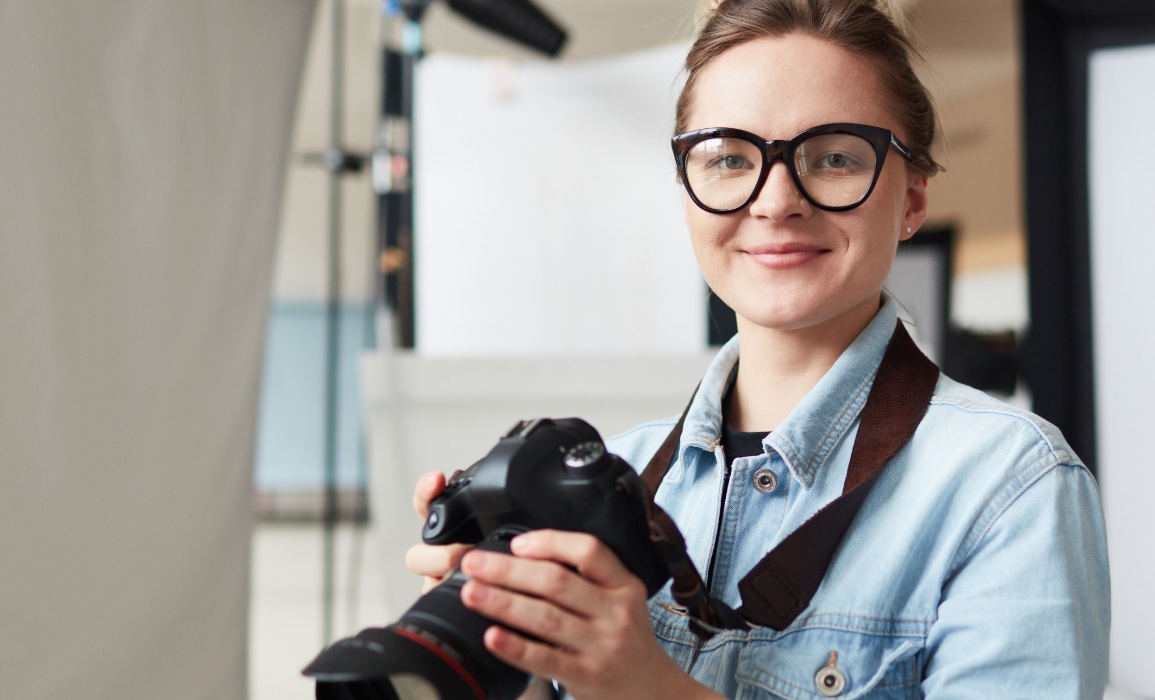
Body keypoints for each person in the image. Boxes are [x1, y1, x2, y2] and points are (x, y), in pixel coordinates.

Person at [407, 0, 1111, 697]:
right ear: (686, 189)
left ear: (914, 198)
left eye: (834, 157)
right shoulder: (607, 480)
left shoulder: (1008, 487)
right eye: (729, 158)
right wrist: (504, 658)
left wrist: (647, 687)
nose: (775, 201)